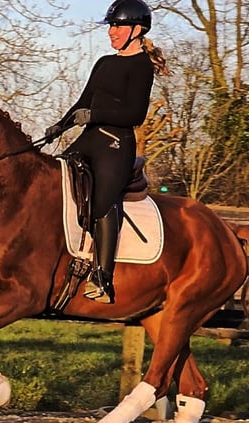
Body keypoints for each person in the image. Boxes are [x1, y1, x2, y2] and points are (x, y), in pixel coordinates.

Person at [45, 0, 167, 304]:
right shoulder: (104, 62)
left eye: (118, 26)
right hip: (90, 140)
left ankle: (102, 277)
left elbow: (134, 114)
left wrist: (95, 114)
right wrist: (59, 127)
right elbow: (82, 102)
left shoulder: (141, 66)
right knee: (53, 184)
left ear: (137, 30)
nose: (112, 32)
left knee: (101, 204)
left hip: (116, 145)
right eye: (111, 26)